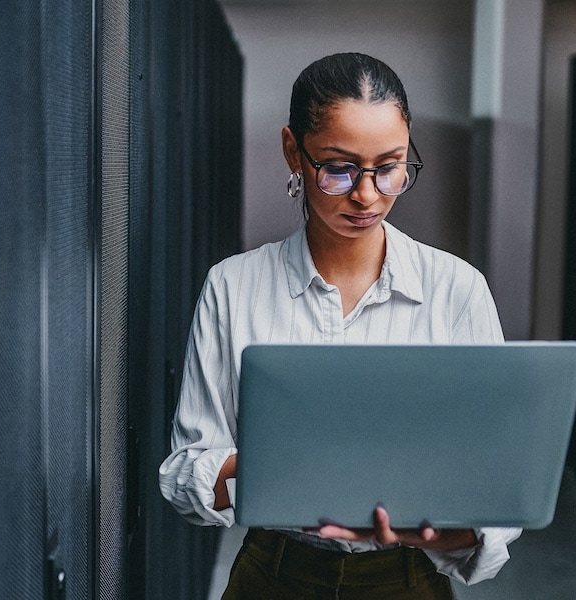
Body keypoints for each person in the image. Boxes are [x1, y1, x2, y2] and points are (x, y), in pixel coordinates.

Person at [157, 52, 522, 599]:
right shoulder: (232, 287)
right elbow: (186, 476)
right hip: (273, 576)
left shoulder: (456, 290)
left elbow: (498, 484)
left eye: (390, 165)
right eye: (339, 167)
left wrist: (443, 528)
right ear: (293, 153)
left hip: (407, 577)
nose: (368, 193)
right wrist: (286, 463)